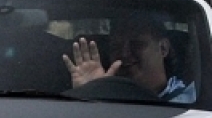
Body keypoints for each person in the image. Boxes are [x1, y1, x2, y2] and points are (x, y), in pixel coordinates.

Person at [63, 15, 195, 103]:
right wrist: (92, 92)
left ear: (163, 48)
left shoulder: (192, 100)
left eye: (137, 44)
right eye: (116, 46)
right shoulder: (107, 100)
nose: (125, 54)